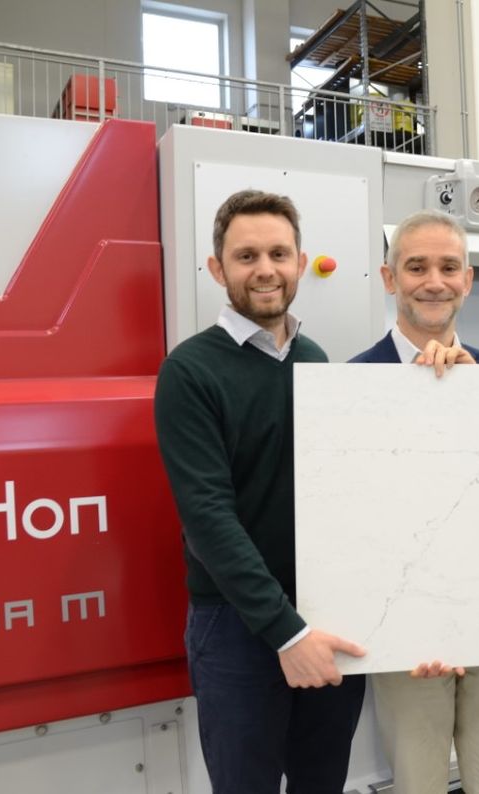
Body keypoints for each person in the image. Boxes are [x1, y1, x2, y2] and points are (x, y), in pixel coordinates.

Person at [154, 190, 366, 793]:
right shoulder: (190, 371)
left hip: (325, 612)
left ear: (301, 262)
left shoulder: (316, 361)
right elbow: (208, 517)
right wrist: (286, 632)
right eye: (246, 256)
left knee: (321, 782)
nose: (265, 269)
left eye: (278, 253)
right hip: (237, 627)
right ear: (218, 269)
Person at [350, 209, 479, 794]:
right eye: (416, 267)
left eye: (448, 267)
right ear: (389, 279)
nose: (434, 281)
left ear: (468, 279)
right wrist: (406, 624)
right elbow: (357, 519)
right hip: (406, 639)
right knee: (418, 785)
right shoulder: (352, 385)